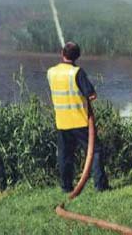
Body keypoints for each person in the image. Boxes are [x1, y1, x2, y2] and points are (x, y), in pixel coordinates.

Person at [48, 42, 109, 193]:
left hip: (61, 122)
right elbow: (92, 95)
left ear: (62, 53)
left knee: (65, 155)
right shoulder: (77, 72)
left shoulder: (51, 72)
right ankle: (100, 186)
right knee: (95, 151)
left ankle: (66, 187)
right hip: (80, 120)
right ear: (77, 56)